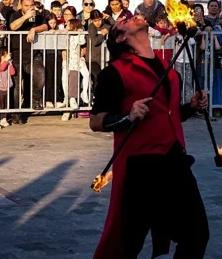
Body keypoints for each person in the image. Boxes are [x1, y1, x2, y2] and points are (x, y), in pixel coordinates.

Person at [89, 13, 210, 259]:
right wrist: (128, 115)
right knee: (127, 245)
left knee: (197, 234)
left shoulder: (168, 68)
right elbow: (95, 121)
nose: (131, 16)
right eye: (123, 21)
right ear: (121, 37)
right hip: (140, 168)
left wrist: (191, 107)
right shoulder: (114, 73)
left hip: (175, 160)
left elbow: (168, 114)